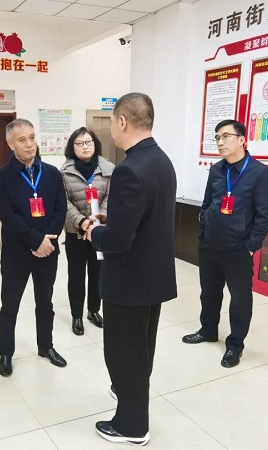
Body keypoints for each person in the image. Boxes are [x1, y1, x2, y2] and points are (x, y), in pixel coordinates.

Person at [87, 93, 177, 445]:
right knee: (140, 350)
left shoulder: (128, 169)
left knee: (124, 353)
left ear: (122, 122)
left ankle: (132, 426)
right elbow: (145, 219)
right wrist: (113, 220)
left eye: (113, 122)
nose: (113, 128)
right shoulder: (160, 160)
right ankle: (131, 398)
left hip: (128, 280)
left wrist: (95, 232)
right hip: (152, 277)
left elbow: (118, 241)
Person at [182, 119, 268, 368]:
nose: (220, 142)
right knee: (209, 293)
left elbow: (266, 215)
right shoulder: (217, 170)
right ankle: (208, 330)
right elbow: (207, 203)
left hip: (238, 249)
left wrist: (250, 246)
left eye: (226, 136)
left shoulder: (261, 173)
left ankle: (235, 344)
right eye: (217, 137)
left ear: (242, 139)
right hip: (210, 245)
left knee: (240, 299)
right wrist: (203, 233)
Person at [0, 118, 67, 377]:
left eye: (32, 138)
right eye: (22, 140)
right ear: (10, 144)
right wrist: (36, 241)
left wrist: (48, 241)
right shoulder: (1, 177)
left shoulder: (52, 173)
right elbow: (8, 215)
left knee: (45, 303)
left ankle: (46, 346)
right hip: (17, 253)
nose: (29, 144)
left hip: (48, 251)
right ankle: (6, 353)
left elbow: (60, 210)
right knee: (9, 305)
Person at [61, 127, 114, 336]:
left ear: (95, 144)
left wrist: (97, 221)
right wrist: (82, 222)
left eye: (88, 142)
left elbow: (111, 197)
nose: (85, 146)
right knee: (75, 275)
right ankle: (77, 315)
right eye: (79, 143)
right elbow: (63, 201)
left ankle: (93, 310)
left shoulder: (109, 169)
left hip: (100, 232)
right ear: (72, 147)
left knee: (97, 273)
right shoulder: (65, 171)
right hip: (75, 232)